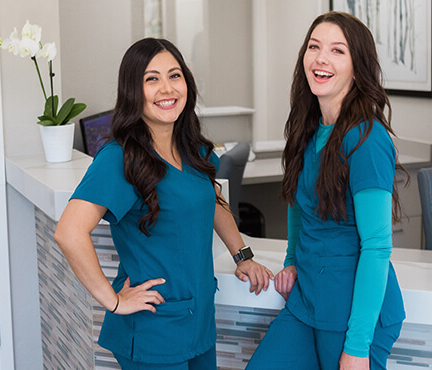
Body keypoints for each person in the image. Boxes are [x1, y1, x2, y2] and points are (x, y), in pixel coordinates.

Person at [54, 38, 274, 370]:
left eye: (174, 75)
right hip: (153, 329)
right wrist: (112, 301)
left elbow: (212, 198)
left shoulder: (194, 148)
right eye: (151, 79)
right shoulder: (120, 158)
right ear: (132, 90)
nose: (166, 88)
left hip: (198, 319)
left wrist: (241, 254)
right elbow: (68, 233)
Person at [247, 12, 406, 370]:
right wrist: (291, 261)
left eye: (337, 50)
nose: (320, 58)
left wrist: (358, 346)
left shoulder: (367, 140)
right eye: (314, 46)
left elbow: (378, 247)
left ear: (357, 67)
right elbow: (299, 205)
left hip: (351, 311)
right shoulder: (308, 128)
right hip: (308, 302)